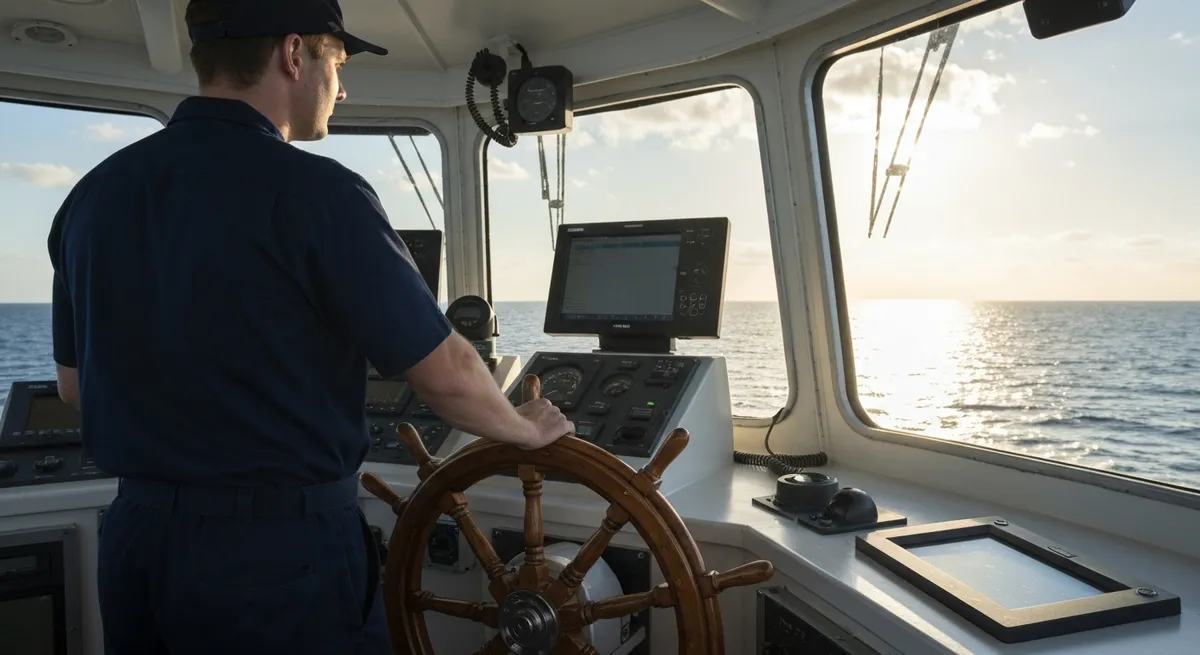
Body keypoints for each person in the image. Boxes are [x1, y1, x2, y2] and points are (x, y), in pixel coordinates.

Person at [46, 0, 573, 652]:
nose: (343, 87)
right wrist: (525, 427)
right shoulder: (322, 194)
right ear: (295, 54)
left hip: (135, 544)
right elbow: (450, 373)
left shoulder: (91, 197)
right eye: (337, 61)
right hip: (274, 560)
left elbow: (74, 387)